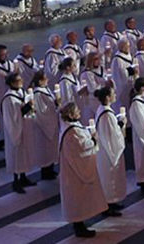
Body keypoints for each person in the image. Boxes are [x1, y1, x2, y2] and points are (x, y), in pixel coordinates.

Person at [59, 102, 108, 238]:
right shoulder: (72, 131)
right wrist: (93, 139)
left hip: (72, 168)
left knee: (78, 197)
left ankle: (80, 224)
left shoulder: (69, 127)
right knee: (77, 197)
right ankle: (79, 226)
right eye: (77, 110)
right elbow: (81, 147)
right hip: (75, 170)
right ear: (70, 115)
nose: (79, 111)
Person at [93, 86, 127, 217]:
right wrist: (122, 124)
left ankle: (113, 202)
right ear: (107, 97)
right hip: (108, 152)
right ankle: (108, 206)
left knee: (111, 178)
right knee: (109, 178)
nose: (115, 95)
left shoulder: (103, 110)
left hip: (105, 150)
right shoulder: (106, 114)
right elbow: (112, 135)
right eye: (113, 93)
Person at [1, 71, 36, 193]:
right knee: (16, 156)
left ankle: (24, 177)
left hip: (24, 128)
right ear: (11, 83)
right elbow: (13, 117)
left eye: (21, 80)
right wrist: (27, 107)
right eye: (18, 81)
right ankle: (16, 181)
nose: (21, 82)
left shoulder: (21, 92)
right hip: (14, 131)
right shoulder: (8, 98)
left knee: (23, 154)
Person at [30, 70, 59, 181]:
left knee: (51, 149)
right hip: (44, 126)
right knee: (45, 150)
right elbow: (41, 111)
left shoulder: (45, 89)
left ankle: (50, 169)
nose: (48, 80)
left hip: (51, 121)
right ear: (40, 81)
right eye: (46, 78)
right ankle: (45, 171)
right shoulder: (38, 93)